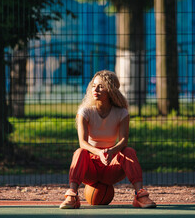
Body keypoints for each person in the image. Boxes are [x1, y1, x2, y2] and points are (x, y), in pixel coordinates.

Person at [59, 70, 156, 209]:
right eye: (94, 85)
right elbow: (83, 143)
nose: (95, 89)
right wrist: (99, 153)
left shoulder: (122, 113)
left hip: (110, 166)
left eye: (101, 86)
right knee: (80, 152)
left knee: (128, 151)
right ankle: (72, 196)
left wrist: (111, 151)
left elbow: (123, 141)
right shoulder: (85, 112)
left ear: (110, 90)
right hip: (90, 169)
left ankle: (140, 196)